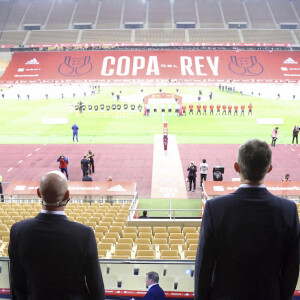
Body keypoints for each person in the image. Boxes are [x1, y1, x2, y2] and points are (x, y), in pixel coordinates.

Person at [194, 139, 299, 300]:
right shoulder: (288, 211)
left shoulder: (215, 209)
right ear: (269, 169)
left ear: (237, 167)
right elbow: (291, 269)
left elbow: (203, 269)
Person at [9, 171, 105, 299]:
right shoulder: (84, 235)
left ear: (39, 193)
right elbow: (96, 287)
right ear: (67, 195)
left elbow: (17, 282)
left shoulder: (18, 231)